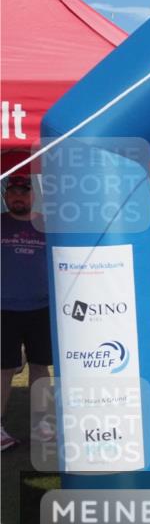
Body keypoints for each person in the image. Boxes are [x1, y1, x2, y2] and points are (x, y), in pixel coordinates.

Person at [0, 175, 52, 451]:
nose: (18, 197)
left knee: (41, 366)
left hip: (41, 307)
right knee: (4, 369)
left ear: (32, 196)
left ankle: (42, 424)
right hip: (4, 308)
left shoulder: (46, 225)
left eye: (23, 192)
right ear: (6, 196)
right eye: (13, 192)